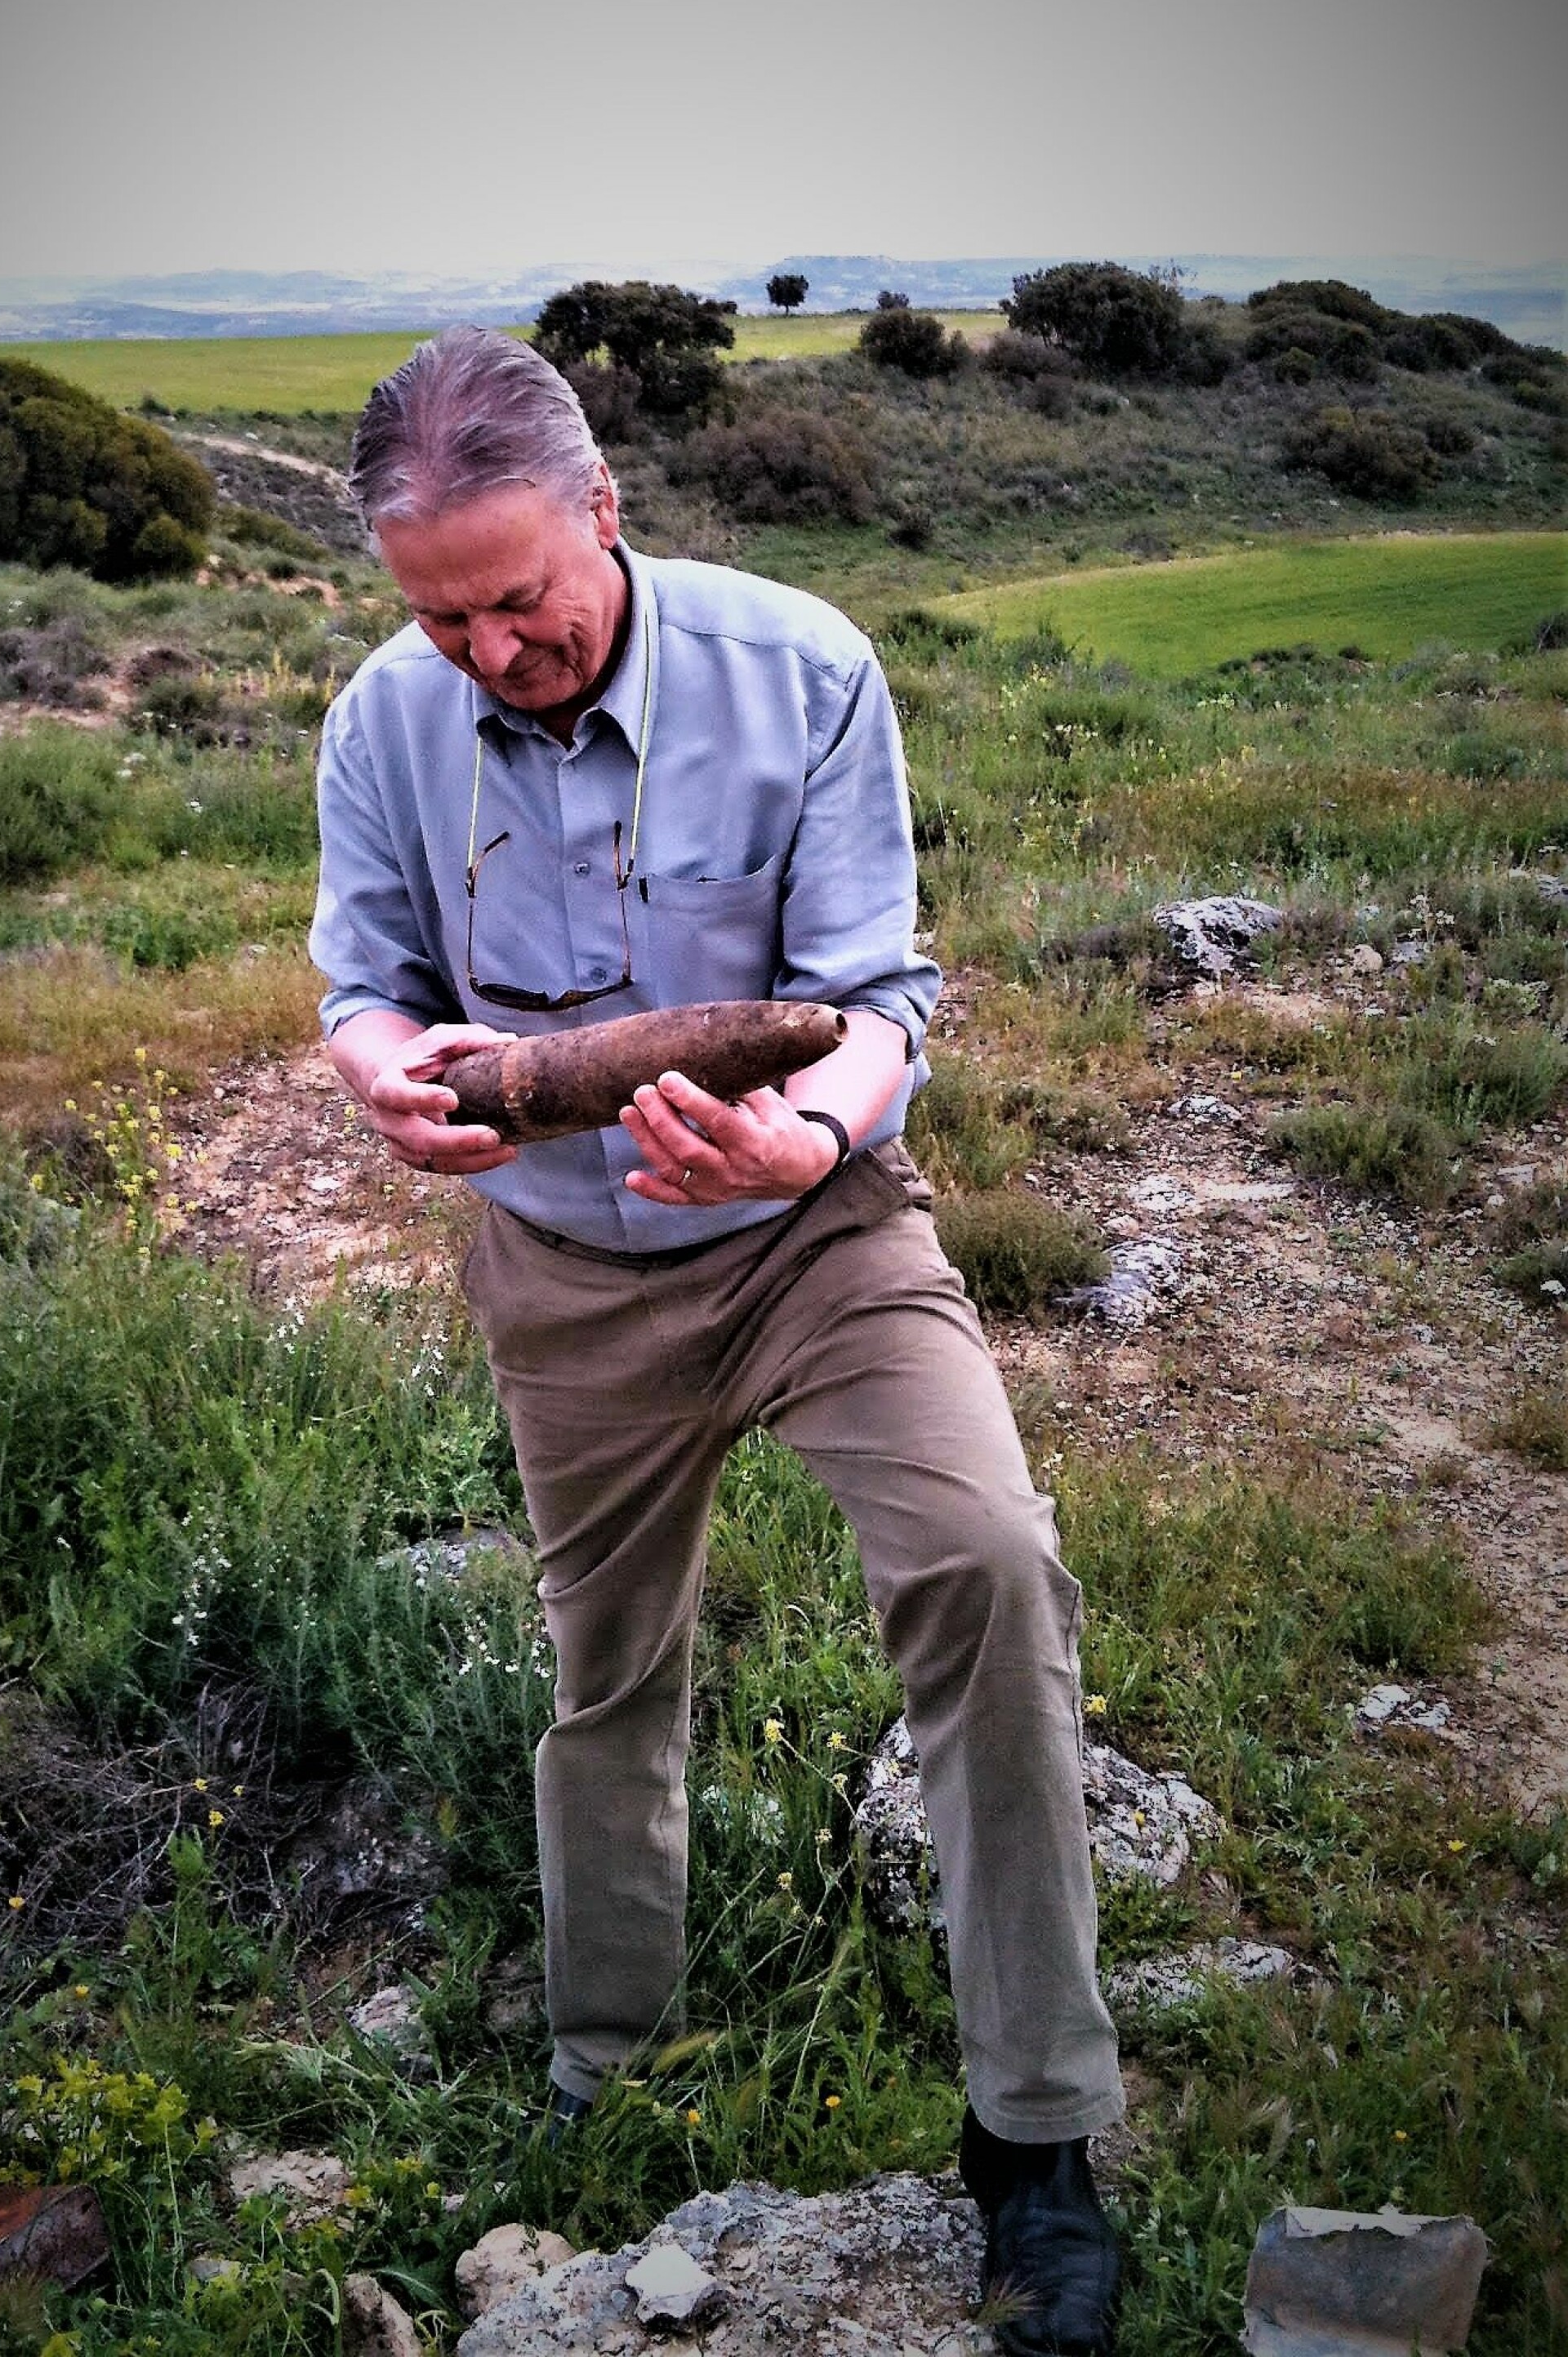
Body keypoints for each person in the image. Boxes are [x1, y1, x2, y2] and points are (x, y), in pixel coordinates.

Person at [310, 327, 1125, 2355]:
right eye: (443, 615)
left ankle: (1037, 2135)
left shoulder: (804, 669)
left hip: (815, 1229)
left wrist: (801, 1133)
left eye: (524, 599)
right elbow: (369, 979)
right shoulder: (381, 723)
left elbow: (879, 996)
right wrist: (384, 1075)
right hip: (562, 1273)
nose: (492, 650)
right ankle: (608, 2062)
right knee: (609, 1668)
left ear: (609, 511)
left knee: (987, 1564)